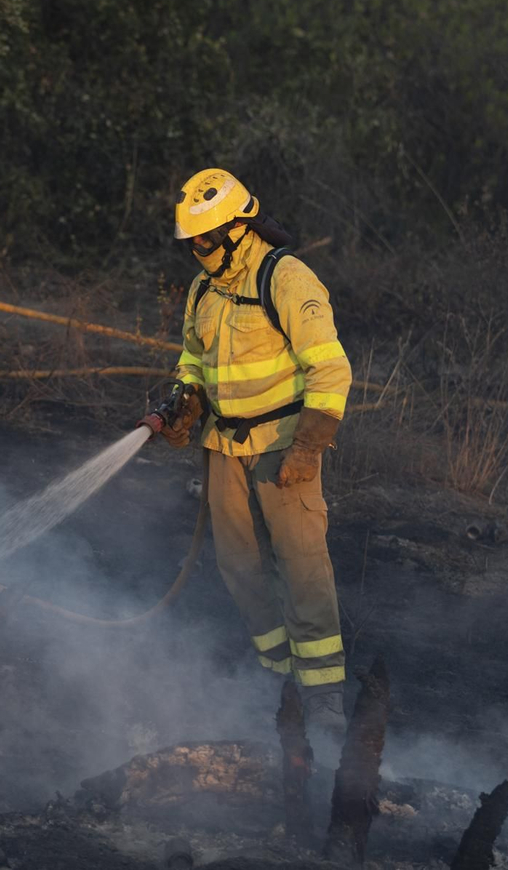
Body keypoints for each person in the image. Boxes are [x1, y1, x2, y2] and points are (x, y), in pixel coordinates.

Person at [160, 167, 354, 751]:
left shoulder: (286, 278)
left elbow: (332, 370)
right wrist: (185, 399)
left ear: (240, 228)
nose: (198, 251)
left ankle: (322, 701)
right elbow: (192, 357)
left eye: (207, 239)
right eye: (191, 243)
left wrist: (307, 448)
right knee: (238, 566)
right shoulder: (205, 288)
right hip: (223, 447)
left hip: (281, 448)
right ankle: (277, 682)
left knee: (302, 568)